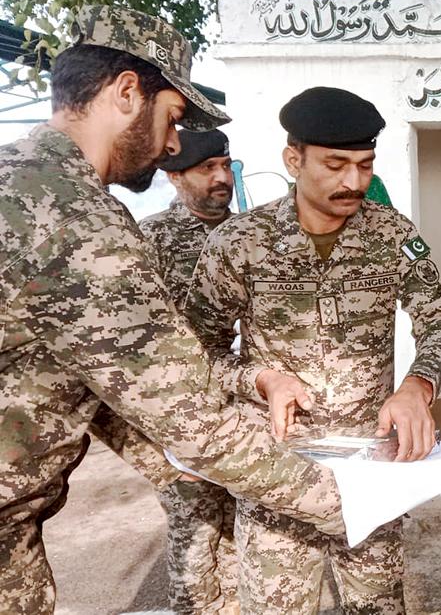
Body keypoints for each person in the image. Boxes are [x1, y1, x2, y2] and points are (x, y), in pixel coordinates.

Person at [0, 5, 343, 614]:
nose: (173, 143)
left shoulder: (20, 180)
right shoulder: (72, 217)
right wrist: (347, 500)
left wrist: (165, 459)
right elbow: (190, 413)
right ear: (128, 92)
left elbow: (78, 375)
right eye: (173, 117)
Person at [184, 86, 441, 613]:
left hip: (370, 470)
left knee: (378, 606)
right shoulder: (241, 242)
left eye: (364, 164)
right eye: (336, 165)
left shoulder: (390, 233)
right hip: (276, 472)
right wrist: (260, 380)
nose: (354, 182)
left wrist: (417, 387)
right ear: (293, 160)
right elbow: (198, 353)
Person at [133, 128, 239, 614]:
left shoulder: (251, 235)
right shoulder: (149, 239)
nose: (222, 178)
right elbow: (134, 341)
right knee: (195, 538)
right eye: (207, 169)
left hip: (248, 410)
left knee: (248, 536)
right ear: (174, 177)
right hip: (180, 414)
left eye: (225, 165)